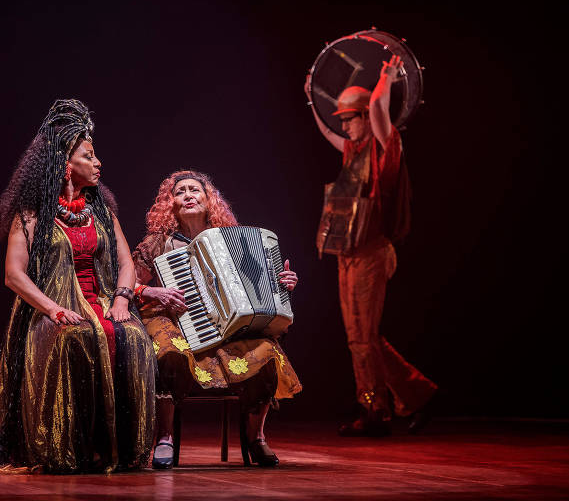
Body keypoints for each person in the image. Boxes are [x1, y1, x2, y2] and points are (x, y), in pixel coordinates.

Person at [0, 99, 155, 474]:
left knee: (135, 336)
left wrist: (123, 299)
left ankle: (119, 450)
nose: (98, 163)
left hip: (103, 302)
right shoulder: (30, 215)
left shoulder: (103, 213)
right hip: (50, 306)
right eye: (89, 156)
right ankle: (69, 448)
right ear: (64, 164)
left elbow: (126, 263)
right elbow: (14, 274)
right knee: (71, 337)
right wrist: (52, 308)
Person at [131, 170, 302, 468]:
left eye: (194, 190)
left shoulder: (230, 239)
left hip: (228, 329)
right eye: (180, 191)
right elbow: (129, 286)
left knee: (266, 350)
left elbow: (258, 283)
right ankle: (165, 438)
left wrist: (282, 282)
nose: (187, 195)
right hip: (176, 321)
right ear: (170, 203)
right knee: (169, 353)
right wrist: (154, 291)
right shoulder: (157, 244)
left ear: (209, 200)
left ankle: (256, 438)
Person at [305, 56, 437, 436]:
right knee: (359, 338)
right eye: (344, 119)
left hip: (372, 253)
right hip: (348, 255)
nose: (344, 125)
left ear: (366, 116)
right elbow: (329, 133)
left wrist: (385, 79)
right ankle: (396, 401)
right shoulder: (353, 151)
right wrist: (313, 100)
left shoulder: (386, 149)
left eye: (350, 118)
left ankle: (380, 410)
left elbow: (380, 106)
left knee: (363, 337)